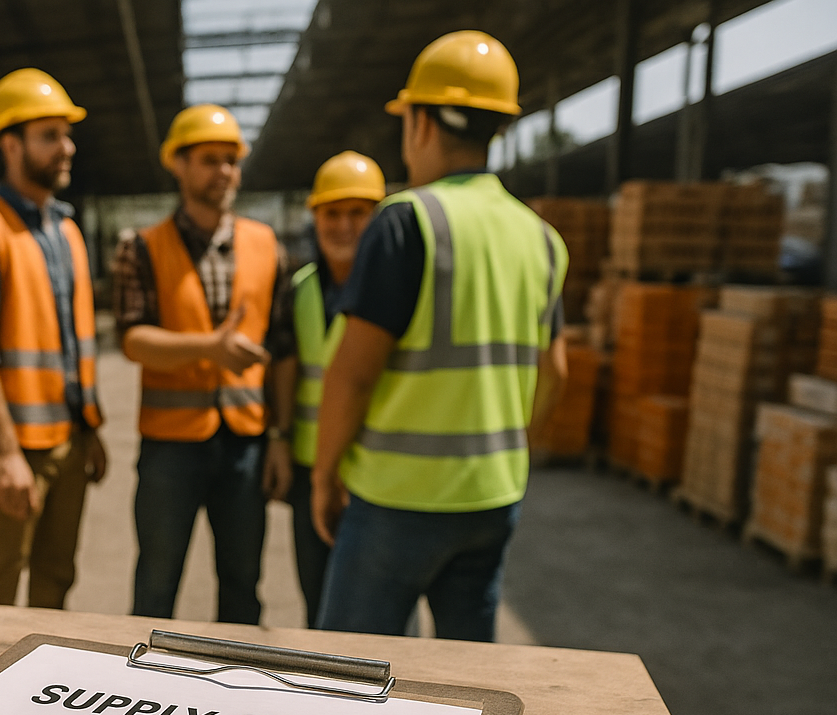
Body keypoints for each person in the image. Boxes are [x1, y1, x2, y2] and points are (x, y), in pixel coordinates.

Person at [309, 31, 568, 641]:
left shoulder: (408, 222)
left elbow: (353, 373)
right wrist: (505, 457)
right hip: (492, 499)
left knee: (349, 673)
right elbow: (556, 373)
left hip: (398, 501)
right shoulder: (541, 238)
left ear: (420, 123)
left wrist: (323, 476)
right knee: (464, 682)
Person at [113, 104, 293, 625]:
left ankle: (232, 686)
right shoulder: (142, 248)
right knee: (156, 582)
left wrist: (279, 437)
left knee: (243, 585)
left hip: (245, 445)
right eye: (210, 160)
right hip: (170, 446)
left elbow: (282, 348)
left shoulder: (267, 245)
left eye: (231, 161)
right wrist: (208, 348)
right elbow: (134, 339)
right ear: (179, 165)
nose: (224, 172)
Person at [0, 69, 108, 609]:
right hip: (11, 446)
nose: (66, 147)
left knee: (56, 577)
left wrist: (90, 428)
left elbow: (69, 346)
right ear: (10, 145)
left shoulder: (66, 230)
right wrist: (6, 453)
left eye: (66, 133)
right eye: (49, 135)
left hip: (68, 440)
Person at [263, 151, 385, 628]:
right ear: (314, 217)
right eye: (332, 213)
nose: (344, 226)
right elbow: (287, 369)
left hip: (374, 472)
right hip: (309, 466)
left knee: (380, 614)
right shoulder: (300, 287)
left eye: (357, 212)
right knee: (318, 604)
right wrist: (279, 439)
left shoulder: (397, 288)